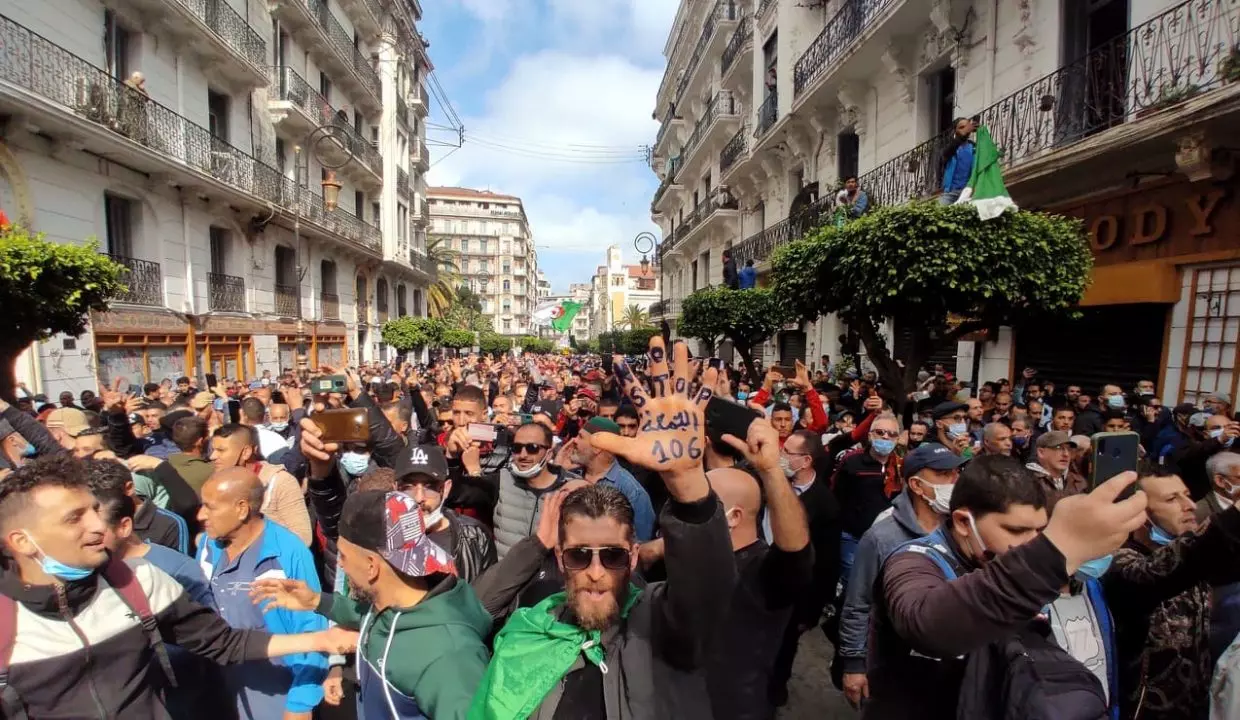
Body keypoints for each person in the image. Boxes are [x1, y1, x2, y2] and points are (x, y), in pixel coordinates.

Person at [469, 340, 736, 718]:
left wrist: (689, 487)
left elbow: (706, 596)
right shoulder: (527, 631)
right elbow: (473, 611)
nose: (596, 572)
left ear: (632, 556)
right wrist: (537, 543)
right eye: (579, 556)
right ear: (561, 557)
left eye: (612, 556)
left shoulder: (658, 625)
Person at [0, 454, 356, 718]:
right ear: (22, 541)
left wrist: (320, 642)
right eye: (74, 518)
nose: (97, 526)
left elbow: (223, 641)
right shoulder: (6, 622)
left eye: (94, 510)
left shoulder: (139, 580)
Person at [864, 455, 1149, 719]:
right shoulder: (912, 561)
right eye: (1016, 530)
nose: (1031, 543)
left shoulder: (1017, 569)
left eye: (1040, 531)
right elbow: (926, 624)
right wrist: (1052, 553)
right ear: (963, 522)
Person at [252, 489, 493, 719]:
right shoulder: (391, 606)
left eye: (344, 556)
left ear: (371, 566)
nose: (341, 565)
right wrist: (315, 600)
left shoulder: (449, 658)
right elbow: (368, 617)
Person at [838, 442, 967, 709]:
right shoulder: (883, 536)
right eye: (943, 475)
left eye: (956, 473)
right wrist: (854, 664)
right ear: (917, 485)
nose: (954, 481)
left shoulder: (963, 529)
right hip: (893, 664)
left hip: (953, 666)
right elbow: (858, 603)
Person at [196, 467, 330, 719]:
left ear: (242, 508)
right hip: (219, 693)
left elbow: (312, 629)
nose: (201, 515)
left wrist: (301, 703)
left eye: (209, 507)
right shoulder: (207, 546)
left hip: (275, 696)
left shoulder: (288, 552)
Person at [769, 429, 841, 705]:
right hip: (765, 583)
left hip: (796, 596)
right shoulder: (775, 484)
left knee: (784, 647)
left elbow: (827, 563)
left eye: (787, 452)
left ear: (806, 461)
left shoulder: (825, 504)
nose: (781, 455)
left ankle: (775, 692)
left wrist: (811, 612)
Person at [394, 442, 497, 582]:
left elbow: (487, 592)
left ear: (446, 489)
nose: (419, 498)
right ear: (395, 489)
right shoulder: (379, 536)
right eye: (408, 487)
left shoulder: (475, 536)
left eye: (430, 487)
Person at [210, 423, 312, 546]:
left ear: (246, 452)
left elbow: (303, 538)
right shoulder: (218, 483)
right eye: (213, 450)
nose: (212, 456)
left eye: (221, 450)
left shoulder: (280, 481)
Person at [567, 417, 656, 541]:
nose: (574, 440)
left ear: (597, 447)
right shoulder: (570, 477)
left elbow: (642, 543)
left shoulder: (632, 492)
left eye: (580, 437)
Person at [85, 457, 188, 554]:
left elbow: (178, 565)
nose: (99, 507)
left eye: (107, 500)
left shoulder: (169, 524)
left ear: (129, 488)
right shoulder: (87, 521)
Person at [1027, 430, 1088, 510]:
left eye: (1069, 449)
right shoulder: (1027, 481)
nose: (1066, 454)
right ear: (1041, 452)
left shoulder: (1079, 481)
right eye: (1058, 448)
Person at [939, 116, 977, 204]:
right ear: (955, 131)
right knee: (939, 210)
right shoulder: (950, 147)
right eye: (961, 127)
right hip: (950, 192)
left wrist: (981, 131)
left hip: (968, 192)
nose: (965, 130)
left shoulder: (975, 148)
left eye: (966, 127)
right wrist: (960, 136)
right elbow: (945, 155)